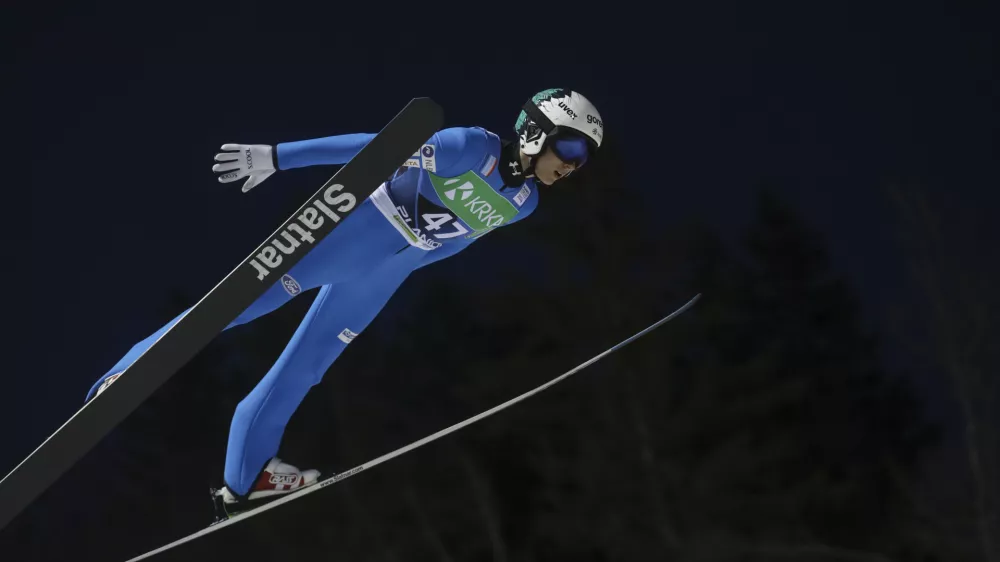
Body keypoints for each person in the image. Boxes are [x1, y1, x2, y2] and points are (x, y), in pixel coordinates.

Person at [85, 88, 605, 512]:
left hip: (386, 270)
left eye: (583, 160)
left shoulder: (523, 203)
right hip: (355, 233)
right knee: (240, 306)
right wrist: (278, 158)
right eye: (573, 150)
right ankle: (130, 370)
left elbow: (452, 243)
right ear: (536, 131)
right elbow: (374, 148)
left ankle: (246, 477)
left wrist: (401, 269)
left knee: (307, 367)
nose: (573, 167)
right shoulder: (470, 146)